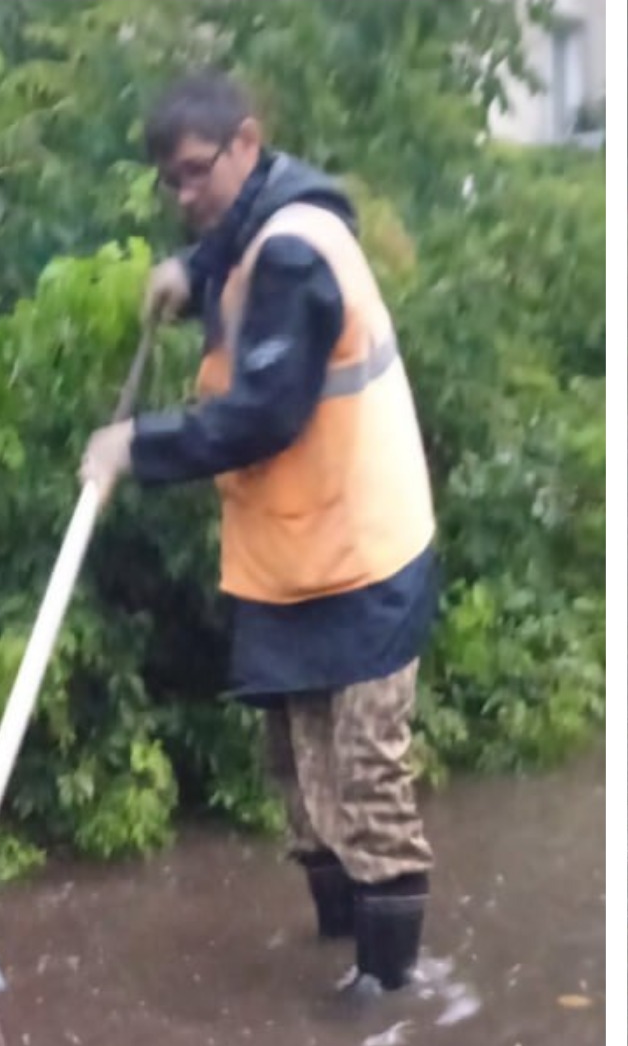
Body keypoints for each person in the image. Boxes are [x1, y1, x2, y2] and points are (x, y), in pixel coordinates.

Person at [79, 70, 438, 999]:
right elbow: (230, 252)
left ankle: (388, 989)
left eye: (198, 172)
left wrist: (136, 446)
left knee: (362, 778)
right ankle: (336, 946)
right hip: (289, 553)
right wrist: (188, 277)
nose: (186, 195)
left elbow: (262, 416)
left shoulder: (295, 251)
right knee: (297, 779)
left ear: (246, 141)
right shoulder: (255, 221)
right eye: (171, 183)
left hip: (361, 554)